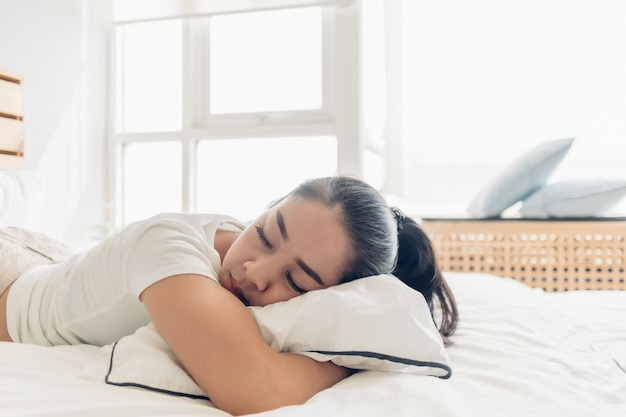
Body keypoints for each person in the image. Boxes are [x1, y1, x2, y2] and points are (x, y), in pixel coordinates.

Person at [0, 175, 458, 415]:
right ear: (265, 208)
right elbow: (254, 389)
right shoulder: (169, 246)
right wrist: (345, 361)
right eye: (265, 233)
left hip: (54, 263)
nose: (253, 271)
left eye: (296, 283)